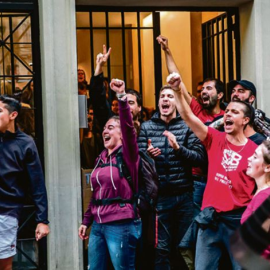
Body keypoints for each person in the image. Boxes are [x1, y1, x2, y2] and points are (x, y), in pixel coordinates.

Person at [167, 72, 258, 270]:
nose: (227, 114)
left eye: (234, 112)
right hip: (210, 219)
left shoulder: (256, 151)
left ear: (245, 120)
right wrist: (176, 90)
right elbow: (188, 116)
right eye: (227, 112)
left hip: (238, 221)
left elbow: (262, 188)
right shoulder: (215, 139)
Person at [137, 84, 207, 269]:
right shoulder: (147, 127)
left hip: (184, 196)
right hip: (160, 198)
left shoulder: (187, 126)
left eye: (170, 96)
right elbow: (138, 163)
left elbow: (200, 159)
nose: (165, 99)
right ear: (158, 102)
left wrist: (178, 148)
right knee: (161, 248)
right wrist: (147, 155)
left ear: (177, 102)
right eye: (162, 97)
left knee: (184, 246)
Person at [78, 79, 142, 270]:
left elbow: (129, 128)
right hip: (98, 225)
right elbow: (97, 194)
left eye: (111, 128)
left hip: (120, 224)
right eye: (105, 128)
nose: (105, 130)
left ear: (122, 134)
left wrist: (121, 97)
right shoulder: (102, 157)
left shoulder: (129, 154)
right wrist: (86, 221)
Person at [0, 95, 50, 270]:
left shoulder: (25, 144)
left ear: (13, 115)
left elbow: (37, 183)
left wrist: (42, 220)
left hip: (6, 212)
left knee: (4, 264)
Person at [210, 79, 266, 145]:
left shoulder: (262, 123)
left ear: (251, 98)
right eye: (233, 91)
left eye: (241, 91)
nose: (235, 94)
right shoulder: (221, 121)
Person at [241, 140, 270, 225]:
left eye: (255, 157)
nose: (249, 158)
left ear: (268, 168)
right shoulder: (262, 191)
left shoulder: (263, 197)